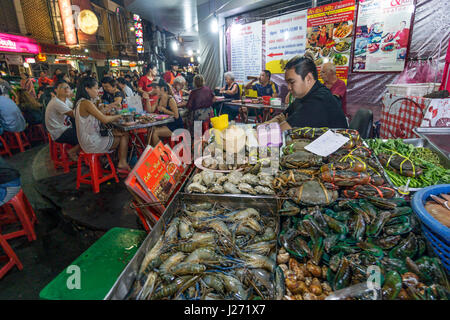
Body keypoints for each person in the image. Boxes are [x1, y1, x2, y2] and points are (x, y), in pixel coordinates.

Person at [266, 55, 347, 130]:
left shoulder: (318, 100)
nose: (288, 87)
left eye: (292, 82)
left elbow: (280, 130)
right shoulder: (304, 95)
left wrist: (258, 133)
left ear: (308, 78)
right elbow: (282, 116)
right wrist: (263, 126)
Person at [73, 77, 130, 174]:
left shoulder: (80, 102)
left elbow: (98, 113)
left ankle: (113, 161)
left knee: (119, 133)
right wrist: (119, 115)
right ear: (87, 89)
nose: (98, 91)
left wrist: (109, 107)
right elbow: (104, 119)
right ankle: (122, 163)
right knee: (124, 134)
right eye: (95, 88)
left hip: (86, 140)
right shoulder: (86, 103)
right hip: (92, 142)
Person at [45, 81, 81, 161]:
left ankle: (80, 152)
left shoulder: (66, 100)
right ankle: (72, 151)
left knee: (84, 130)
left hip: (64, 128)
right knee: (85, 136)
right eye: (63, 88)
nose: (66, 89)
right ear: (56, 90)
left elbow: (75, 109)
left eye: (68, 87)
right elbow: (73, 114)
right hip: (58, 132)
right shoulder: (56, 102)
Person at [148, 80, 184, 146]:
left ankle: (161, 154)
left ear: (162, 89)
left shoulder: (170, 99)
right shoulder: (158, 99)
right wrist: (147, 99)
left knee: (155, 132)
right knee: (150, 130)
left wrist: (164, 110)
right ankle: (153, 152)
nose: (153, 90)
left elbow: (176, 116)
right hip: (166, 125)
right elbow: (150, 110)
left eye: (155, 88)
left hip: (175, 126)